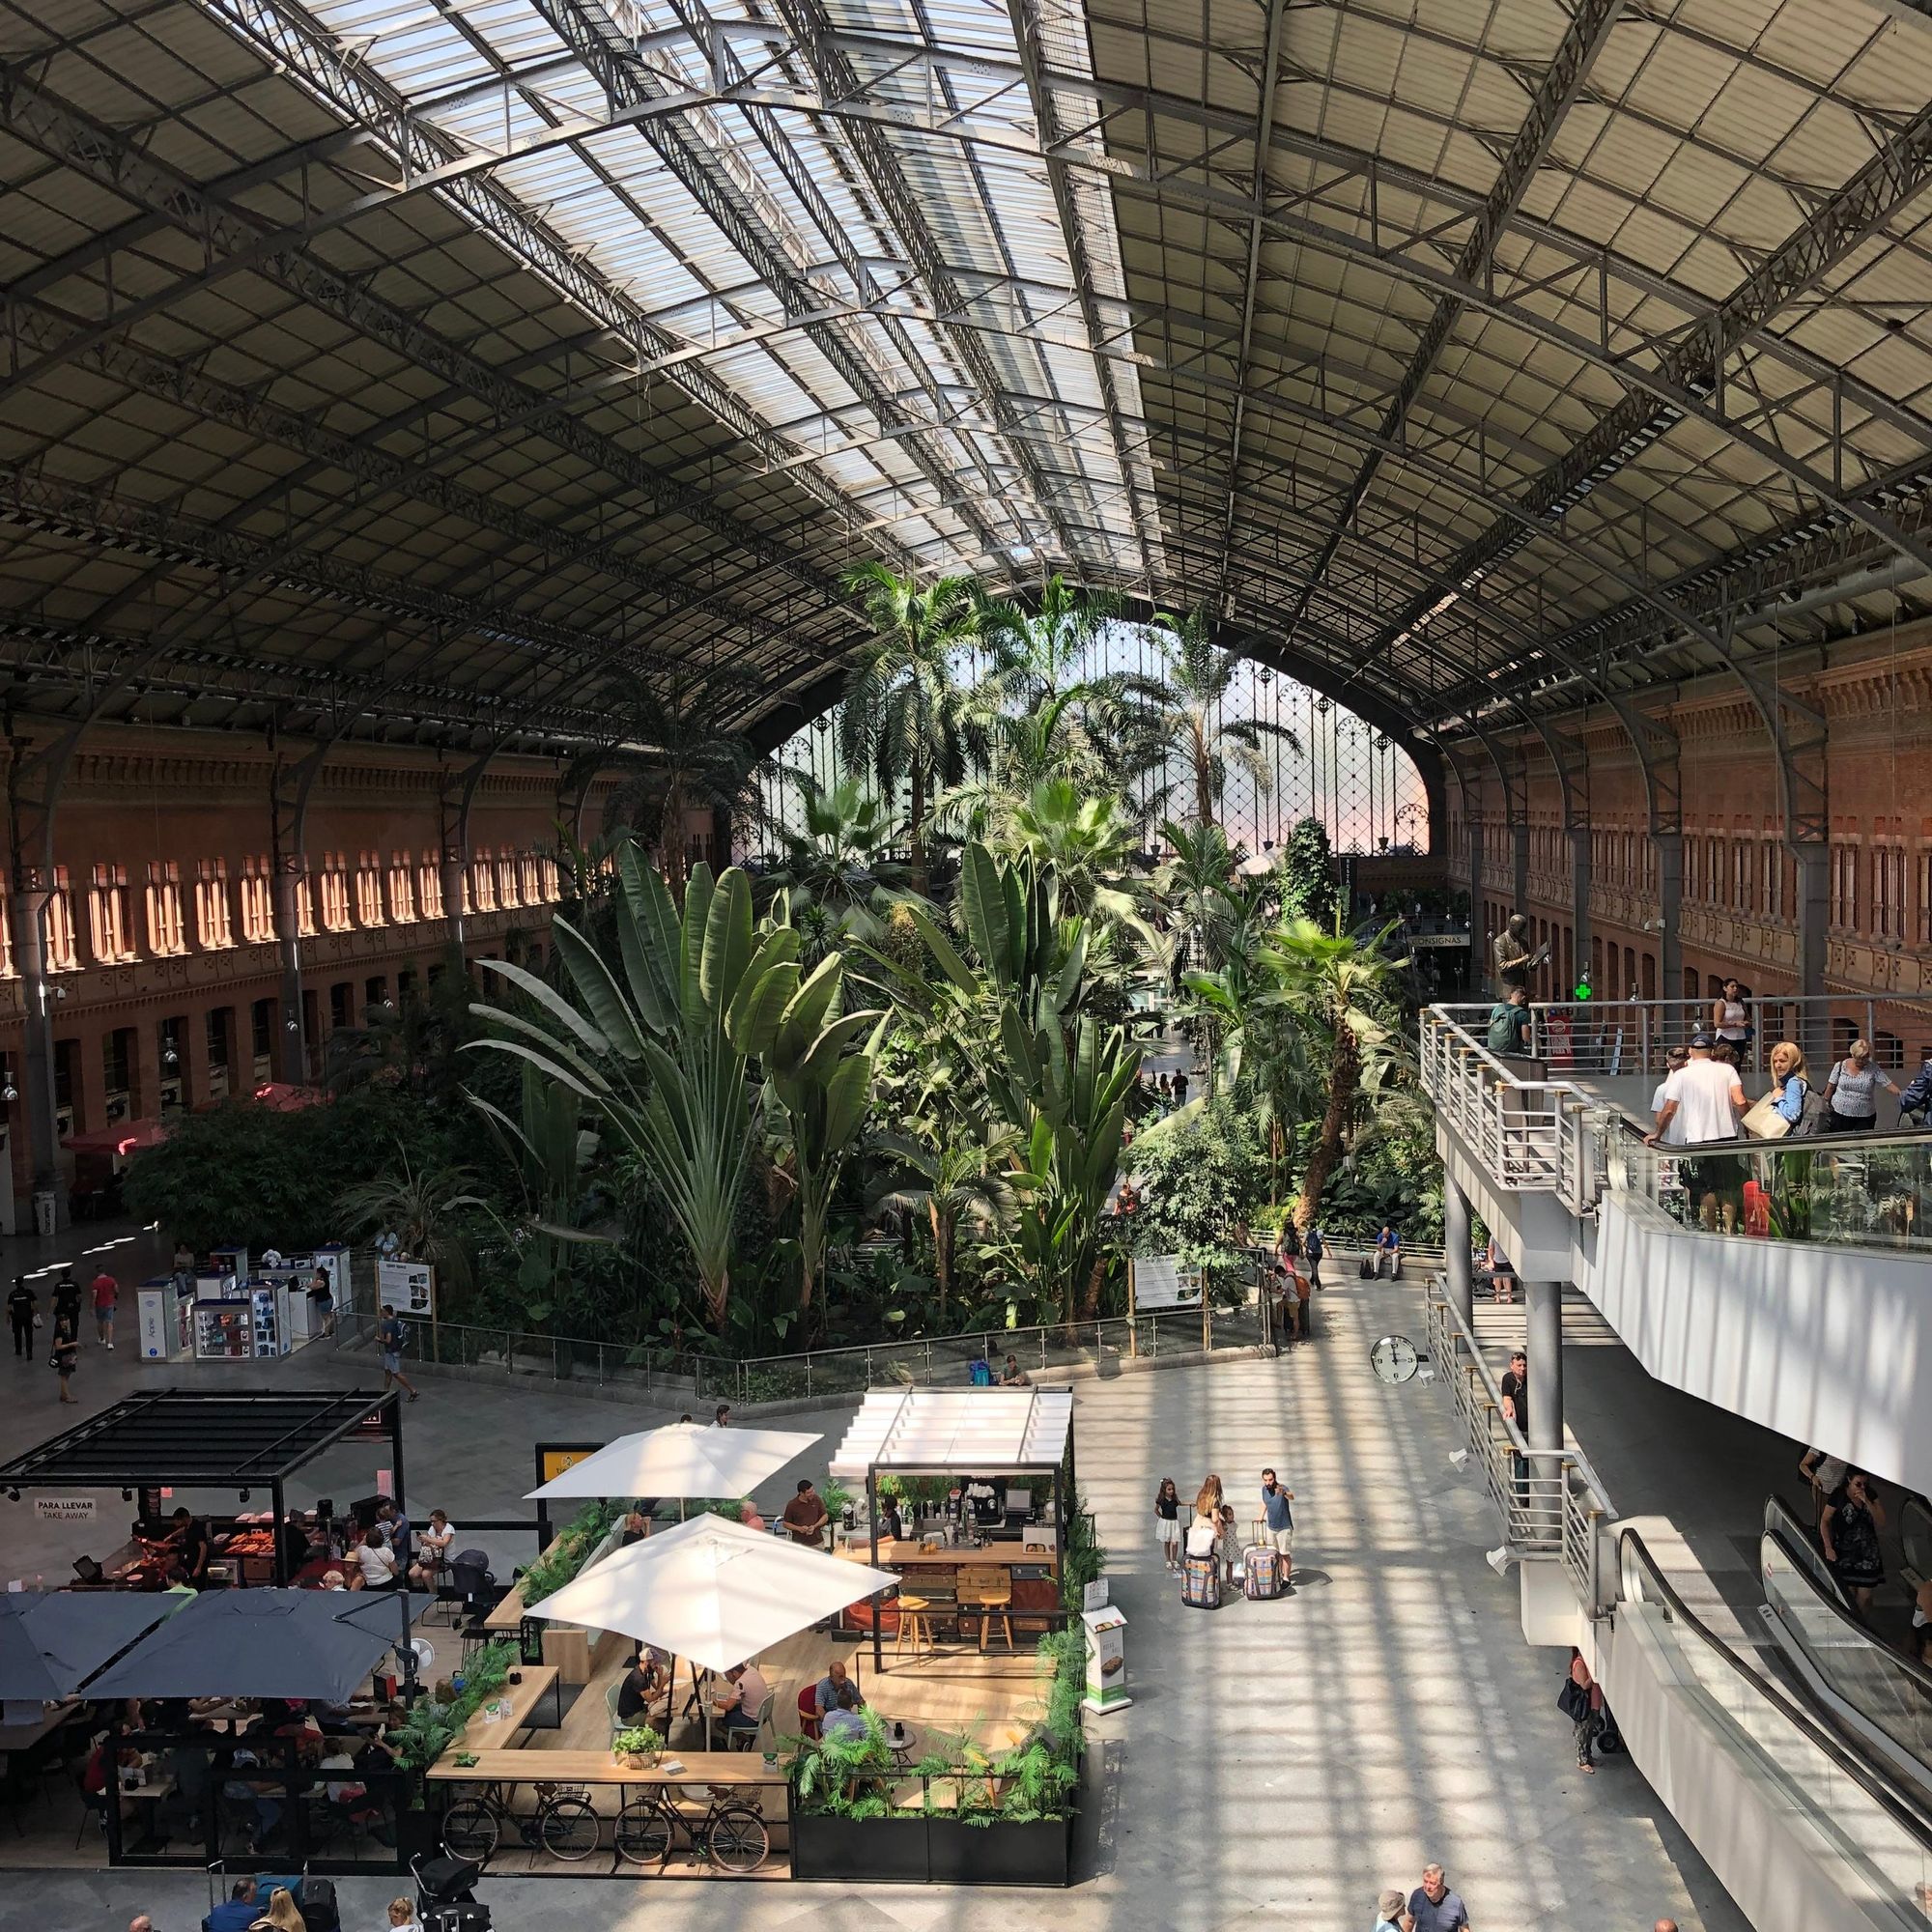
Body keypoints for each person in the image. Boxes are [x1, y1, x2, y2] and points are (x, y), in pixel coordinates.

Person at [1647, 1035, 1745, 1233]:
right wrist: (1748, 1125)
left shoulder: (1683, 1075)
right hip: (1727, 1138)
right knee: (1727, 1187)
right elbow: (1740, 1101)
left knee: (1706, 1189)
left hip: (1698, 1139)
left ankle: (1711, 1231)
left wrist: (1658, 1134)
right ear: (1712, 1050)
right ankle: (1730, 1230)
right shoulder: (1727, 1069)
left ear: (1691, 1052)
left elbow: (1669, 1109)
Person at [1821, 1468, 1887, 1621]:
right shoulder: (1838, 1496)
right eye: (1858, 1484)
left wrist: (1867, 1502)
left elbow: (1882, 1521)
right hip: (1845, 1551)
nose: (1862, 1487)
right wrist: (1828, 1547)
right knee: (1847, 1592)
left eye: (1865, 1484)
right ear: (1849, 1480)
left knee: (1865, 1594)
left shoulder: (1870, 1494)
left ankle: (1859, 1621)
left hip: (1868, 1552)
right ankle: (1849, 1620)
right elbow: (1825, 1520)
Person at [1826, 1037, 1898, 1132]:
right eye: (1859, 1058)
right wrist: (1825, 1105)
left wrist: (1903, 1093)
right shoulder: (1840, 1066)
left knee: (1862, 1144)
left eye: (1865, 1057)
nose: (1862, 1061)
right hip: (1839, 1113)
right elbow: (1830, 1086)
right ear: (1853, 1054)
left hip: (1865, 1116)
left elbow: (1888, 1083)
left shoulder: (1873, 1069)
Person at [1559, 1651, 1605, 1774]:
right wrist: (1594, 1676)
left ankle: (1588, 1756)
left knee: (1589, 1730)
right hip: (1583, 1704)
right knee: (1582, 1731)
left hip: (1591, 1703)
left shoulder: (1586, 1663)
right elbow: (1584, 1685)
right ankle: (1582, 1760)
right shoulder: (1579, 1664)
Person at [1500, 1348, 1531, 1520]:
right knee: (1520, 1460)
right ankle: (1523, 1495)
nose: (1522, 1369)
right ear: (1511, 1366)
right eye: (1519, 1365)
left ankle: (1529, 1492)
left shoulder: (1530, 1379)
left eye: (1524, 1365)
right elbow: (1507, 1397)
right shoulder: (1508, 1379)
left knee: (1529, 1460)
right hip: (1520, 1426)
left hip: (1533, 1427)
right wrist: (1509, 1410)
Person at [1763, 1040, 1813, 1133]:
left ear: (1794, 1062)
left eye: (1782, 1061)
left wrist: (1778, 1099)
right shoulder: (1796, 1081)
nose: (1777, 1065)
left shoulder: (1793, 1083)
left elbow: (1793, 1114)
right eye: (1775, 1061)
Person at [1406, 1861, 1469, 1932]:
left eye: (1432, 1883)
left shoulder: (1455, 1903)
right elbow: (1409, 1922)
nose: (1427, 1887)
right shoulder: (1417, 1896)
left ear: (1441, 1883)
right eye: (1425, 1881)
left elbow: (1465, 1929)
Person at [715, 1660, 769, 1737]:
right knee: (729, 1712)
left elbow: (728, 1706)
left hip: (753, 1720)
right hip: (762, 1712)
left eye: (727, 1676)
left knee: (719, 1722)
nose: (727, 1679)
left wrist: (713, 1702)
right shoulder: (751, 1669)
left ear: (734, 1673)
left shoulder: (740, 1683)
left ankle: (743, 1738)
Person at [375, 1305, 418, 1402]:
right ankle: (385, 1391)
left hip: (391, 1351)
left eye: (382, 1311)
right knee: (388, 1371)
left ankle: (412, 1390)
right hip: (395, 1349)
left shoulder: (386, 1324)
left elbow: (388, 1340)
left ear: (386, 1312)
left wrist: (379, 1339)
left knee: (396, 1373)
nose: (381, 1313)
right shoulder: (395, 1320)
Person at [1258, 1469, 1293, 1581]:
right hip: (1271, 1527)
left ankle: (1286, 1578)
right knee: (1274, 1554)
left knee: (1284, 1554)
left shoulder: (1281, 1488)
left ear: (1274, 1478)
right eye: (1266, 1480)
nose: (1268, 1482)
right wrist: (1261, 1516)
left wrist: (1284, 1493)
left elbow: (1292, 1497)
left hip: (1284, 1527)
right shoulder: (1264, 1490)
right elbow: (1265, 1502)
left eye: (1270, 1480)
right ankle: (1278, 1574)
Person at [1649, 1044, 1690, 1140]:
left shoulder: (1662, 1089)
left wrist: (1657, 1134)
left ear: (1668, 1065)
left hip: (1673, 1139)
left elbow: (1659, 1120)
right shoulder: (1696, 1085)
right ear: (1686, 1063)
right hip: (1695, 1138)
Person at [409, 1509, 456, 1588]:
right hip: (430, 1557)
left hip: (444, 1559)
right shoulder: (432, 1528)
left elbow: (444, 1543)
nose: (432, 1523)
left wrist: (428, 1539)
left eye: (434, 1521)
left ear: (441, 1520)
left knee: (425, 1574)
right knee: (412, 1574)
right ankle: (431, 1584)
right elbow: (429, 1542)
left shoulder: (449, 1529)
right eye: (431, 1521)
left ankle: (432, 1592)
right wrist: (423, 1540)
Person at [616, 1652, 667, 1723]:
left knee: (666, 1715)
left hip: (640, 1708)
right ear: (646, 1662)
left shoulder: (647, 1672)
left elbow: (657, 1689)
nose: (657, 1666)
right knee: (658, 1722)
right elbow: (650, 1699)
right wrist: (663, 1684)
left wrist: (660, 1675)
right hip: (630, 1717)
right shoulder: (638, 1679)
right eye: (654, 1663)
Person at [1491, 911, 1531, 995]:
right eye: (1520, 929)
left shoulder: (1523, 942)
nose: (1522, 932)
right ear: (1512, 926)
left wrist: (1533, 963)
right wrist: (1521, 960)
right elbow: (1502, 966)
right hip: (1508, 989)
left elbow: (1527, 965)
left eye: (1523, 929)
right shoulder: (1500, 942)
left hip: (1523, 988)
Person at [782, 1478, 830, 1548]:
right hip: (799, 1543)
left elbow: (825, 1516)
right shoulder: (792, 1505)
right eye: (808, 1493)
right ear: (801, 1493)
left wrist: (815, 1526)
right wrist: (799, 1528)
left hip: (817, 1542)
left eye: (813, 1490)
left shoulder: (816, 1499)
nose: (812, 1494)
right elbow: (785, 1523)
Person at [1712, 978, 1751, 1060]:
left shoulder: (1740, 1002)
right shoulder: (1721, 1003)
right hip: (1725, 1037)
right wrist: (1735, 1024)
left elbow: (1748, 1018)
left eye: (1736, 987)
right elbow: (1717, 1023)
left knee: (1738, 1062)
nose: (1735, 989)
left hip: (1740, 1037)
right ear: (1725, 988)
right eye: (1732, 986)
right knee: (1725, 1062)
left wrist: (1746, 1023)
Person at [1487, 983, 1531, 1056]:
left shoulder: (1498, 1009)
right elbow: (1525, 1037)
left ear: (1511, 995)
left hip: (1494, 1048)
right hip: (1513, 1051)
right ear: (1523, 998)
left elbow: (1490, 1025)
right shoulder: (1522, 1013)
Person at [170, 1507, 210, 1584]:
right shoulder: (188, 1526)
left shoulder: (198, 1528)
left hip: (196, 1563)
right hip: (189, 1562)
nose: (178, 1524)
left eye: (179, 1521)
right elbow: (183, 1529)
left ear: (184, 1518)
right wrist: (171, 1536)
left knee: (197, 1585)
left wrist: (198, 1567)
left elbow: (203, 1548)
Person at [350, 1525, 397, 1591]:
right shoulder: (386, 1551)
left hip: (369, 1583)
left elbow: (351, 1555)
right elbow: (395, 1570)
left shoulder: (361, 1550)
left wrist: (363, 1541)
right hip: (386, 1583)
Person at [1153, 1477, 1181, 1574]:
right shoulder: (1161, 1500)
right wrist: (1161, 1517)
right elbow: (1156, 1510)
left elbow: (1180, 1504)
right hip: (1166, 1522)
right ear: (1164, 1490)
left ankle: (1174, 1559)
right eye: (1169, 1489)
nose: (1171, 1491)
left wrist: (1190, 1504)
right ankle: (1168, 1560)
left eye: (1172, 1489)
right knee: (1167, 1542)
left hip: (1174, 1522)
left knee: (1175, 1542)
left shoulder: (1174, 1499)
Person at [91, 1265, 119, 1348]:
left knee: (100, 1322)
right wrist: (116, 1295)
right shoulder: (111, 1279)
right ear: (104, 1271)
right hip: (109, 1304)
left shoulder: (95, 1282)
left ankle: (102, 1339)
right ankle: (110, 1343)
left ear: (97, 1272)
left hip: (99, 1305)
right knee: (109, 1322)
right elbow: (116, 1288)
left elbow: (94, 1295)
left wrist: (91, 1307)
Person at [9, 1275, 37, 1359]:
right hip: (27, 1316)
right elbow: (34, 1303)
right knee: (29, 1335)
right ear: (22, 1282)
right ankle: (29, 1353)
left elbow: (9, 1307)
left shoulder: (12, 1294)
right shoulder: (28, 1292)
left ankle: (18, 1350)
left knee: (17, 1334)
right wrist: (35, 1312)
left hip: (16, 1317)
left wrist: (9, 1316)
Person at [304, 1266, 334, 1338]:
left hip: (323, 1300)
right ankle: (331, 1330)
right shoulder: (325, 1280)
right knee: (329, 1315)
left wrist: (314, 1279)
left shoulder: (320, 1282)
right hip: (329, 1298)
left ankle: (326, 1333)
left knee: (326, 1317)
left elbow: (312, 1287)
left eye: (317, 1273)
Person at [1215, 1503, 1240, 1587]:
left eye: (1232, 1513)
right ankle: (1229, 1582)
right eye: (1229, 1514)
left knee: (1231, 1565)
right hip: (1228, 1548)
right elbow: (1217, 1519)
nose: (1232, 1516)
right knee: (1229, 1565)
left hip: (1233, 1547)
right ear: (1225, 1516)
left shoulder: (1233, 1524)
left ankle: (1231, 1579)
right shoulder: (1225, 1525)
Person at [52, 1274, 81, 1344]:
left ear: (62, 1275)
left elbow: (55, 1297)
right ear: (69, 1275)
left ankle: (59, 1339)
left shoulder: (58, 1285)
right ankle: (74, 1340)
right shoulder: (74, 1284)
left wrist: (51, 1309)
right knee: (74, 1325)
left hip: (61, 1308)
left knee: (60, 1324)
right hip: (72, 1308)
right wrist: (78, 1304)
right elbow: (79, 1296)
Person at [52, 1330, 79, 1403]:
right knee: (64, 1376)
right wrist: (71, 1344)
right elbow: (58, 1346)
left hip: (68, 1356)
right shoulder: (60, 1332)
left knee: (66, 1376)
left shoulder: (65, 1330)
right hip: (64, 1357)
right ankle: (66, 1396)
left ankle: (63, 1394)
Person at [1303, 1221, 1323, 1291]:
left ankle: (1318, 1285)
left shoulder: (1307, 1233)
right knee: (1314, 1267)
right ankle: (1312, 1280)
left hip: (1311, 1254)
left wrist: (1307, 1247)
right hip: (1319, 1253)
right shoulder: (1320, 1232)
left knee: (1314, 1268)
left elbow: (1303, 1243)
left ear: (1310, 1225)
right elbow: (1323, 1241)